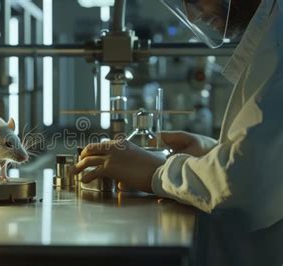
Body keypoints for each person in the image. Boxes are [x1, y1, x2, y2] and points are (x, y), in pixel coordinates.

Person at [72, 0, 282, 264]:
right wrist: (213, 151)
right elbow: (271, 157)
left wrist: (157, 171)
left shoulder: (278, 44)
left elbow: (245, 181)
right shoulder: (271, 34)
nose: (193, 16)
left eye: (194, 0)